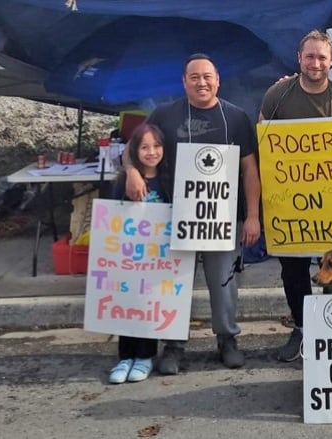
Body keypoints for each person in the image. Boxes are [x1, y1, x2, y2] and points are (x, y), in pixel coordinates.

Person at [123, 53, 261, 374]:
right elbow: (134, 150)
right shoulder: (165, 115)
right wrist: (131, 172)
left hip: (223, 219)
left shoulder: (237, 118)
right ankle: (174, 345)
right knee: (174, 284)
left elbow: (250, 170)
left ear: (218, 80)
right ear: (184, 82)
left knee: (224, 283)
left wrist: (253, 215)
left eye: (207, 76)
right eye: (195, 77)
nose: (202, 82)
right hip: (175, 219)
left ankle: (227, 339)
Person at [259, 30, 332, 362]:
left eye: (322, 57)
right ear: (299, 58)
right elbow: (265, 145)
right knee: (293, 273)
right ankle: (301, 329)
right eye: (310, 56)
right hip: (291, 208)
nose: (316, 63)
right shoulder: (277, 95)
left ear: (331, 60)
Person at [108, 123, 168, 383]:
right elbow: (111, 217)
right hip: (128, 257)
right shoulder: (124, 180)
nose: (151, 152)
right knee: (127, 306)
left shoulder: (168, 181)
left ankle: (145, 356)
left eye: (156, 146)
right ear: (135, 150)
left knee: (148, 307)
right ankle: (125, 357)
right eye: (144, 147)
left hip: (157, 260)